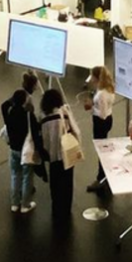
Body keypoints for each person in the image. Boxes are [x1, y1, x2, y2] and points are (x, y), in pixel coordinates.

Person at [38, 88, 81, 224]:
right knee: (67, 183)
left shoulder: (44, 119)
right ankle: (66, 209)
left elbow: (43, 139)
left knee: (55, 183)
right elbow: (76, 131)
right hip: (66, 154)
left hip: (53, 156)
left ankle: (56, 207)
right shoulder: (64, 115)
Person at [1, 88, 39, 214]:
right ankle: (25, 205)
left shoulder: (9, 113)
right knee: (27, 177)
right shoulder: (28, 115)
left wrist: (12, 100)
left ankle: (14, 203)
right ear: (24, 101)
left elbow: (3, 105)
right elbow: (35, 131)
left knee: (15, 175)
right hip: (26, 150)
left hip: (13, 148)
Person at [85, 65, 115, 193]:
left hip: (101, 122)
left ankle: (101, 178)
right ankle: (104, 175)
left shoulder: (102, 94)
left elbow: (102, 114)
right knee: (102, 149)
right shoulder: (107, 89)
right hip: (107, 120)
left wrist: (91, 107)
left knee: (101, 150)